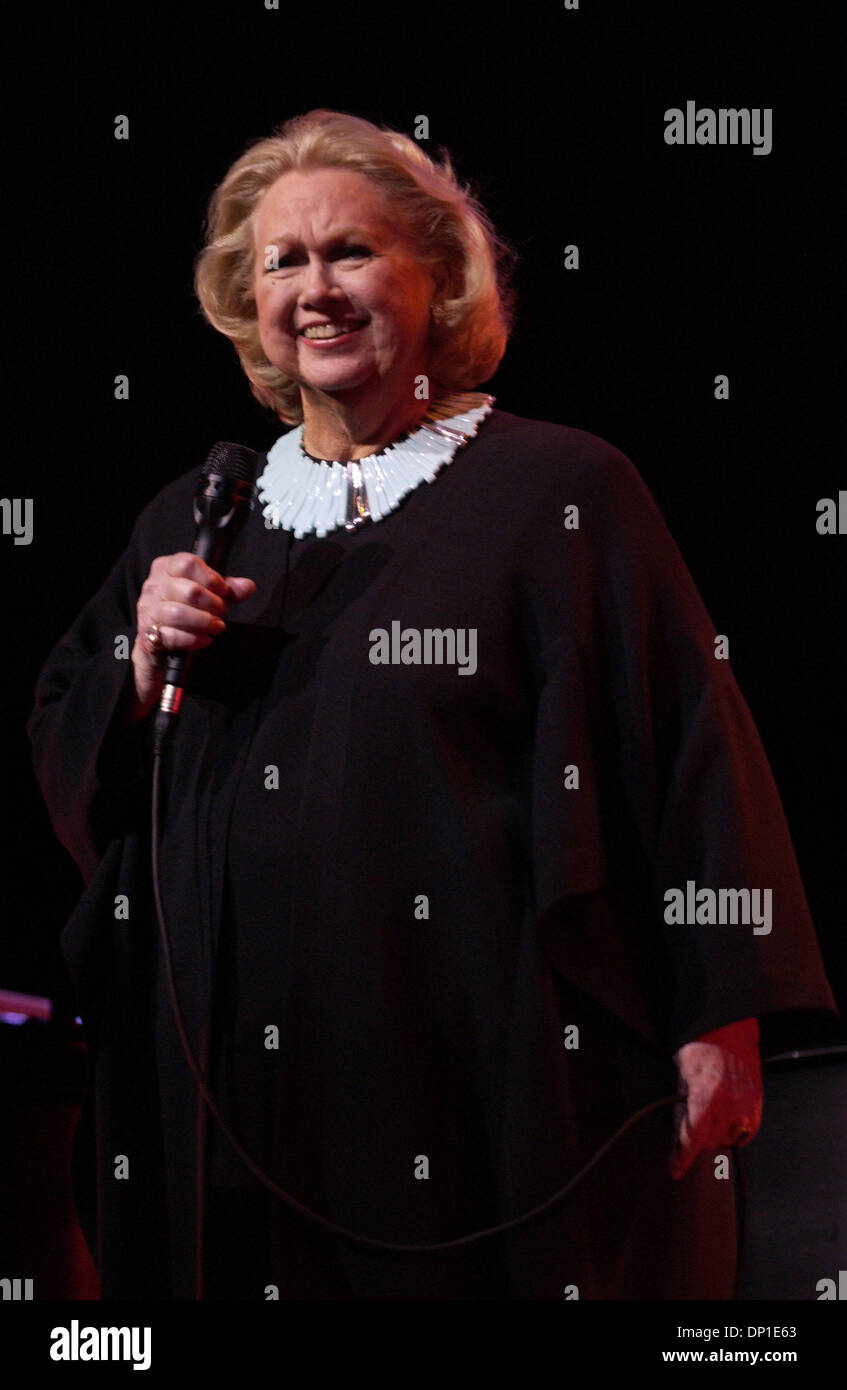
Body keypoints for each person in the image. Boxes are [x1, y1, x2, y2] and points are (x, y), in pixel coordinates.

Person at [28, 109, 836, 1301]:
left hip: (489, 1076)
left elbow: (691, 757)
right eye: (282, 261)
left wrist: (722, 1013)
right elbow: (70, 736)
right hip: (233, 1103)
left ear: (439, 279)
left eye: (351, 251)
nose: (316, 289)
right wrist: (137, 666)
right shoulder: (198, 511)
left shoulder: (560, 488)